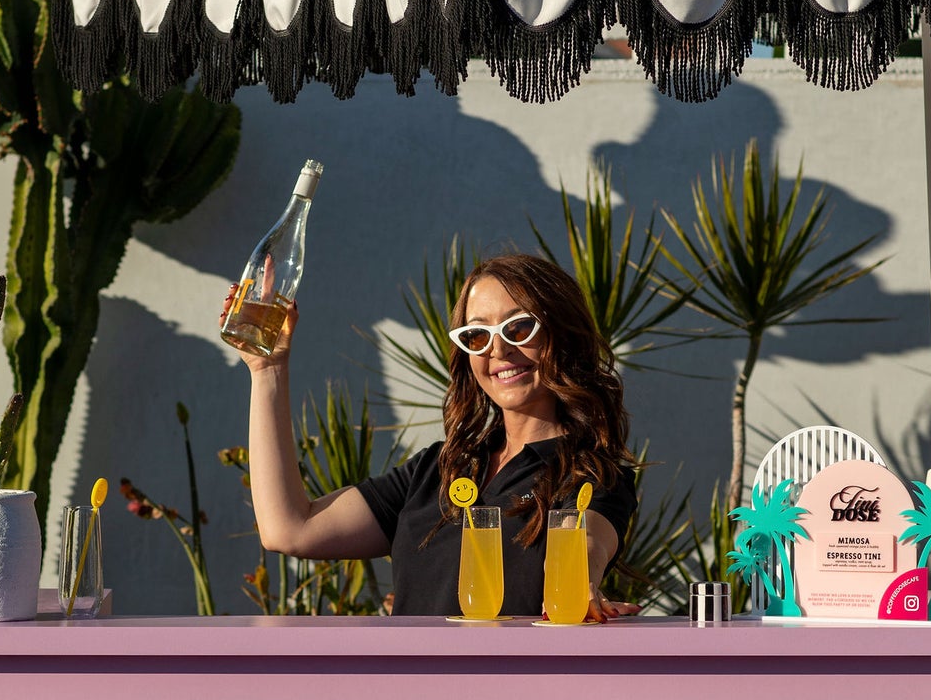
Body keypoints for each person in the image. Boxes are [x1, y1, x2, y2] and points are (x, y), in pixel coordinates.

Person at [239, 252, 639, 617]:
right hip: (409, 695)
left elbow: (587, 539)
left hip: (506, 695)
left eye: (519, 328)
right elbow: (289, 528)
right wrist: (268, 370)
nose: (498, 350)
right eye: (478, 336)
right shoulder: (438, 467)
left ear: (562, 334)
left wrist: (579, 581)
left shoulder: (591, 475)